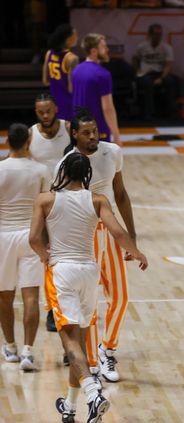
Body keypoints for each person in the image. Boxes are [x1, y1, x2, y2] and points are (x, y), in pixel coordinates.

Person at [29, 153, 147, 423]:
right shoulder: (98, 200)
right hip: (89, 271)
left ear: (63, 171)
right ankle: (69, 406)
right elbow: (118, 232)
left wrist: (45, 256)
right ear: (87, 175)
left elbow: (33, 239)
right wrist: (137, 252)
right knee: (80, 343)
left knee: (69, 342)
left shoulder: (45, 199)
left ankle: (93, 394)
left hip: (62, 271)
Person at [57, 111, 137, 383]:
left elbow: (122, 194)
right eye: (87, 132)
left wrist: (132, 238)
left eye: (96, 131)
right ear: (75, 135)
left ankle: (108, 349)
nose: (93, 136)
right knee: (87, 302)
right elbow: (60, 207)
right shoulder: (68, 163)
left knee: (121, 297)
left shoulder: (112, 152)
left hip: (110, 232)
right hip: (84, 236)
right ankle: (91, 360)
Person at [0, 125, 49, 371]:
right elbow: (47, 209)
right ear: (29, 141)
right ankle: (28, 352)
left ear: (7, 141)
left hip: (3, 237)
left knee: (4, 296)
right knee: (31, 297)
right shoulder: (40, 170)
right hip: (31, 236)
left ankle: (10, 347)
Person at [29, 94, 72, 334]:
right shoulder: (30, 134)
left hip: (68, 204)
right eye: (40, 112)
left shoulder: (68, 128)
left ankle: (71, 304)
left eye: (48, 110)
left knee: (69, 259)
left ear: (55, 108)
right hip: (43, 206)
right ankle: (50, 309)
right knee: (48, 259)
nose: (45, 115)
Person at [71, 34, 121, 145]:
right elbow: (108, 108)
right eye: (104, 47)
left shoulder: (76, 70)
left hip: (79, 129)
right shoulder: (102, 74)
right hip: (97, 129)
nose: (107, 50)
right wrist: (116, 135)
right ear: (94, 51)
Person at [133, 23, 180, 119]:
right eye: (156, 34)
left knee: (171, 81)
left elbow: (168, 65)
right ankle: (149, 113)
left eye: (160, 34)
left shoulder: (166, 47)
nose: (158, 36)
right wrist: (138, 71)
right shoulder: (142, 46)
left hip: (161, 73)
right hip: (146, 73)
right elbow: (135, 59)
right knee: (147, 83)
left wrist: (161, 78)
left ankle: (170, 112)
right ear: (150, 34)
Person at [42, 24, 79, 122]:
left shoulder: (49, 53)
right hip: (68, 104)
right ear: (68, 39)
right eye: (76, 35)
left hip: (53, 103)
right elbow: (72, 89)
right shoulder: (72, 58)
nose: (77, 38)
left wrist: (58, 84)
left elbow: (45, 81)